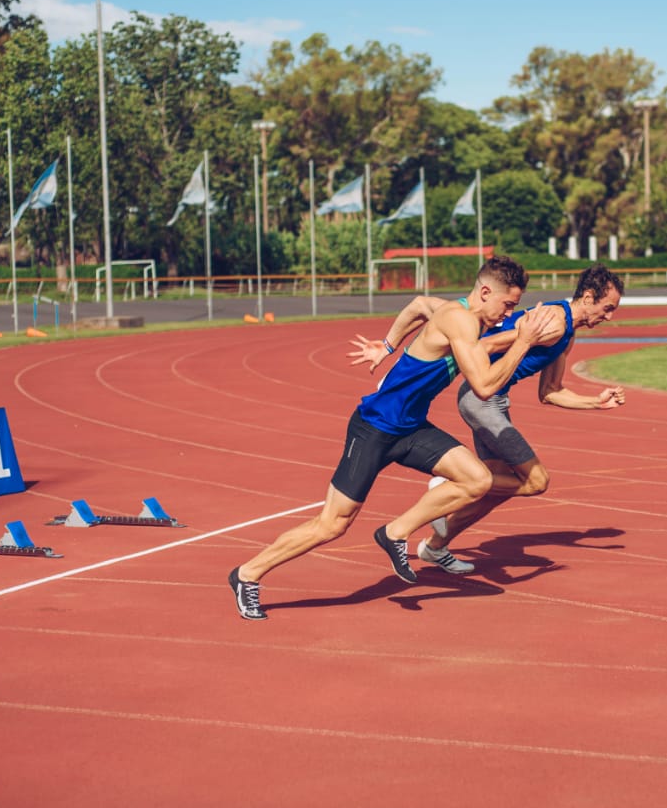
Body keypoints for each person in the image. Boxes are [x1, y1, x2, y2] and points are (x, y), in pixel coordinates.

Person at [228, 256, 558, 621]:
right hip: (374, 428)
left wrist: (386, 346)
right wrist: (524, 340)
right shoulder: (459, 319)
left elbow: (418, 304)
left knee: (477, 479)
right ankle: (247, 574)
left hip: (411, 428)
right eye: (507, 304)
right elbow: (483, 386)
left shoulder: (457, 312)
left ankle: (395, 532)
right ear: (484, 292)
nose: (508, 311)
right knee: (333, 524)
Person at [354, 264, 626, 574]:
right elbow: (485, 344)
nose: (610, 316)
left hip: (495, 400)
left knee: (491, 492)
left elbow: (550, 392)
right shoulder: (555, 324)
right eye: (608, 308)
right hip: (482, 399)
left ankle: (435, 547)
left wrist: (595, 403)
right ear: (588, 298)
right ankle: (449, 483)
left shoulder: (567, 331)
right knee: (535, 481)